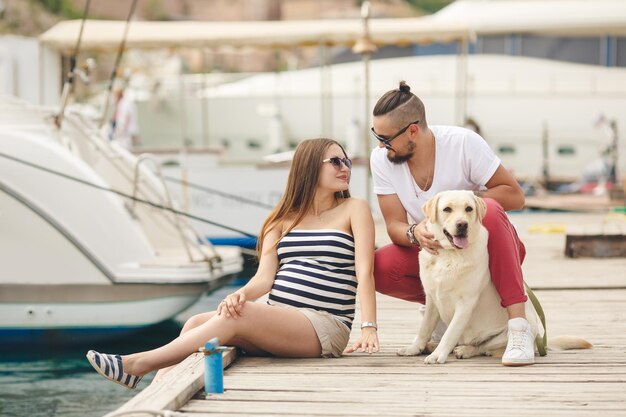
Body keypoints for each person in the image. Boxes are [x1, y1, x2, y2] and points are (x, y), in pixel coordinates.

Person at [86, 138, 380, 389]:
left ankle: (138, 364)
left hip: (324, 326)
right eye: (336, 161)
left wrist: (369, 327)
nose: (345, 168)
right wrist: (238, 295)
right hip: (279, 319)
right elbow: (264, 280)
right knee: (195, 323)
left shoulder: (354, 209)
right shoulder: (281, 220)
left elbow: (364, 272)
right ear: (310, 166)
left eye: (347, 162)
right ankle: (157, 395)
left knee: (237, 317)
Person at [369, 81, 533, 366]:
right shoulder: (382, 160)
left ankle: (519, 328)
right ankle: (447, 316)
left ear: (412, 131)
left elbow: (515, 196)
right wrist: (414, 231)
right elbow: (394, 225)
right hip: (435, 250)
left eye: (385, 139)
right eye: (376, 136)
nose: (381, 146)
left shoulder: (463, 143)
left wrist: (466, 206)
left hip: (485, 250)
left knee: (490, 210)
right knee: (380, 266)